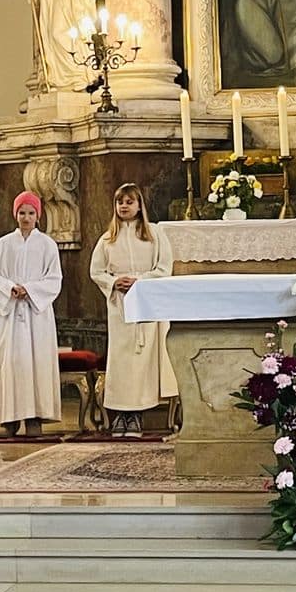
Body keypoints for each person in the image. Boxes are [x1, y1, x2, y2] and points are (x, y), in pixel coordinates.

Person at [89, 183, 176, 436]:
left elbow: (164, 267)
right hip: (120, 306)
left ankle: (137, 415)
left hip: (147, 304)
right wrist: (114, 282)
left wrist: (140, 281)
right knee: (121, 362)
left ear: (139, 205)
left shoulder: (154, 233)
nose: (124, 206)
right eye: (120, 202)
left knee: (141, 362)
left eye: (129, 202)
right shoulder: (107, 238)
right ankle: (120, 414)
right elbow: (96, 271)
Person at [0, 191, 62, 439]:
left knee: (37, 362)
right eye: (22, 213)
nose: (26, 217)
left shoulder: (47, 245)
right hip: (12, 314)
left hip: (36, 314)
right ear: (15, 214)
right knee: (13, 363)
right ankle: (10, 420)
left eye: (30, 213)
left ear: (38, 216)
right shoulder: (3, 244)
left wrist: (29, 289)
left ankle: (34, 418)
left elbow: (54, 278)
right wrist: (10, 288)